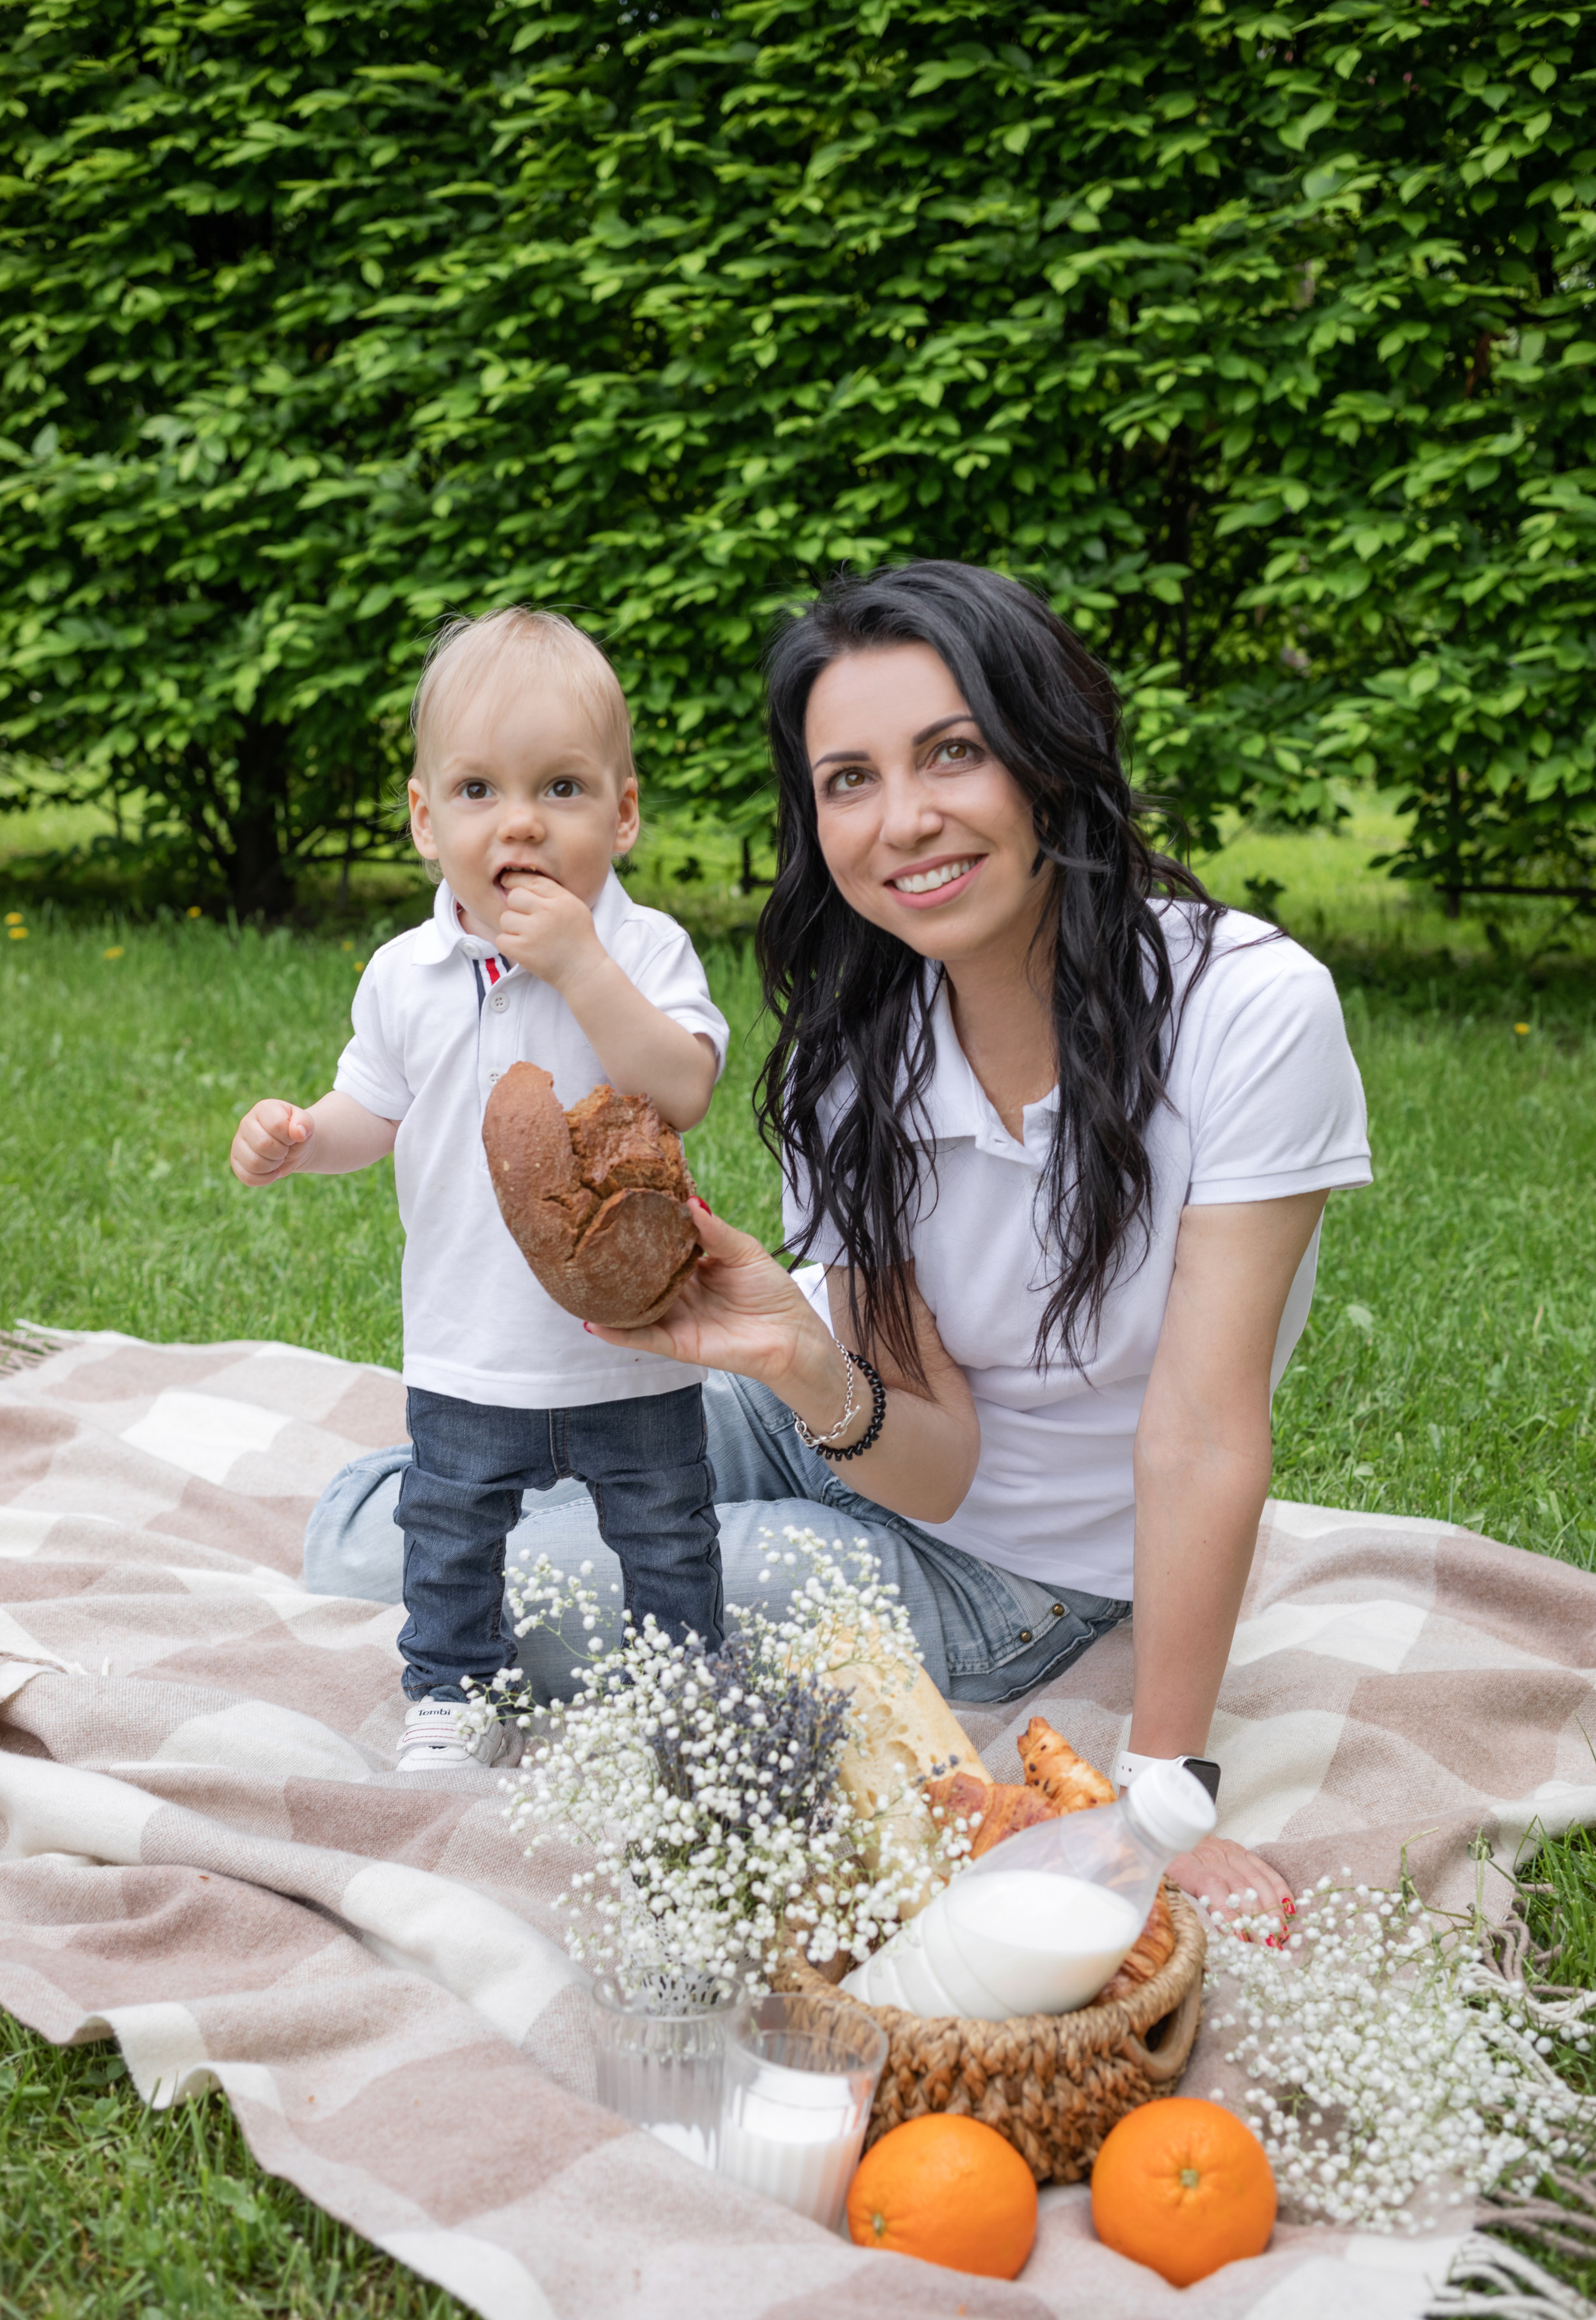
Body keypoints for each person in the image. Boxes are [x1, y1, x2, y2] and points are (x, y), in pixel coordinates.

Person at [305, 564, 1368, 1908]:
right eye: (849, 779)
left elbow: (1202, 1434)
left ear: (1046, 757)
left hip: (1011, 1577)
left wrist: (1162, 1793)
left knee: (419, 1556)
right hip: (851, 1436)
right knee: (386, 1530)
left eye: (953, 753)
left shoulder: (1246, 1010)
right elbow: (925, 1452)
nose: (904, 820)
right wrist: (798, 1361)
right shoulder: (853, 1058)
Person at [232, 608, 729, 1772]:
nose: (520, 822)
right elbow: (375, 1110)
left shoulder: (644, 950)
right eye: (477, 791)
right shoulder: (405, 973)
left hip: (631, 1339)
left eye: (562, 787)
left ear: (624, 812)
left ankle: (685, 1702)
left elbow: (684, 1085)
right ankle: (453, 1689)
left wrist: (580, 964)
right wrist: (304, 1137)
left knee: (666, 1527)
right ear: (425, 820)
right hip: (467, 1335)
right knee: (447, 1527)